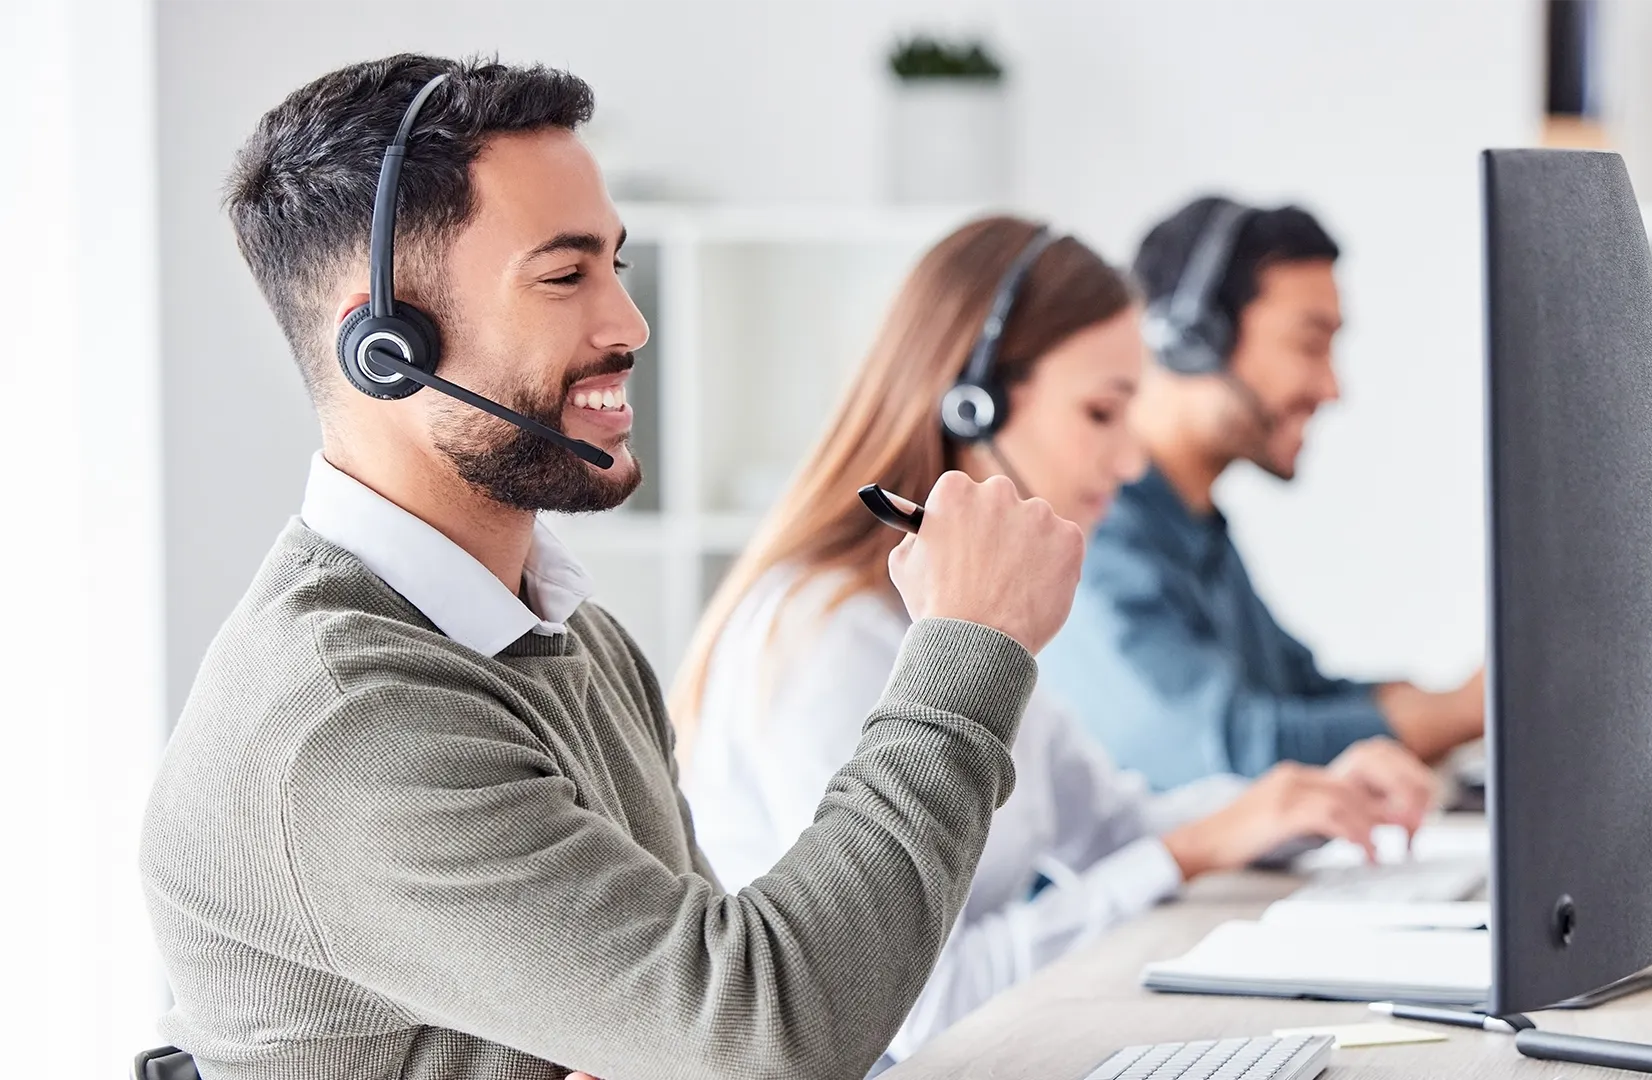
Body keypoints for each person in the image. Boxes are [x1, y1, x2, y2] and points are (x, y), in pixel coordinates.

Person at [138, 55, 1088, 1080]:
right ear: (383, 343)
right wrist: (968, 648)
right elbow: (775, 1029)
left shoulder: (567, 635)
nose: (630, 326)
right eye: (563, 275)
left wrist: (713, 1031)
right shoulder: (349, 719)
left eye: (616, 267)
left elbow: (715, 1025)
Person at [670, 216, 1437, 1068]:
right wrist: (1184, 853)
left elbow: (1110, 825)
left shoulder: (978, 611)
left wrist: (1298, 803)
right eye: (1102, 412)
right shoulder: (828, 636)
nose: (1131, 462)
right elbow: (917, 1011)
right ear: (974, 402)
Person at [1043, 196, 1485, 792]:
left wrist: (1451, 698)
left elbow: (1299, 690)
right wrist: (1464, 711)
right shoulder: (1098, 535)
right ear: (1194, 335)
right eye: (1309, 344)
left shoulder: (1194, 529)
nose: (1331, 388)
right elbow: (1232, 750)